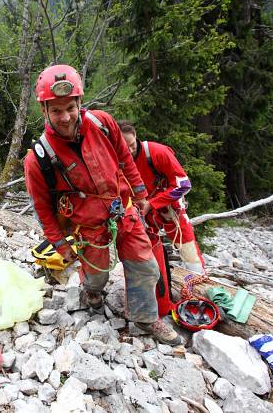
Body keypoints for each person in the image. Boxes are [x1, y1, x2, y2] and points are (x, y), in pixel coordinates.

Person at [24, 65, 183, 345]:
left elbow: (125, 157)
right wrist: (61, 245)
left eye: (70, 107)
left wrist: (142, 194)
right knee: (96, 276)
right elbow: (42, 209)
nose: (65, 117)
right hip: (88, 228)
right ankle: (93, 293)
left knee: (145, 266)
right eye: (56, 110)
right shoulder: (38, 159)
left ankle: (146, 318)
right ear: (44, 110)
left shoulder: (102, 124)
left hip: (124, 212)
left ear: (80, 103)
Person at [119, 121, 205, 273]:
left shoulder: (157, 152)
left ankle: (200, 282)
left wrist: (152, 203)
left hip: (170, 210)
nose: (130, 151)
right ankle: (160, 291)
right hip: (141, 215)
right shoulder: (117, 161)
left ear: (135, 136)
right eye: (125, 148)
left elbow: (183, 184)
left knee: (189, 252)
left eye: (132, 144)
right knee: (148, 257)